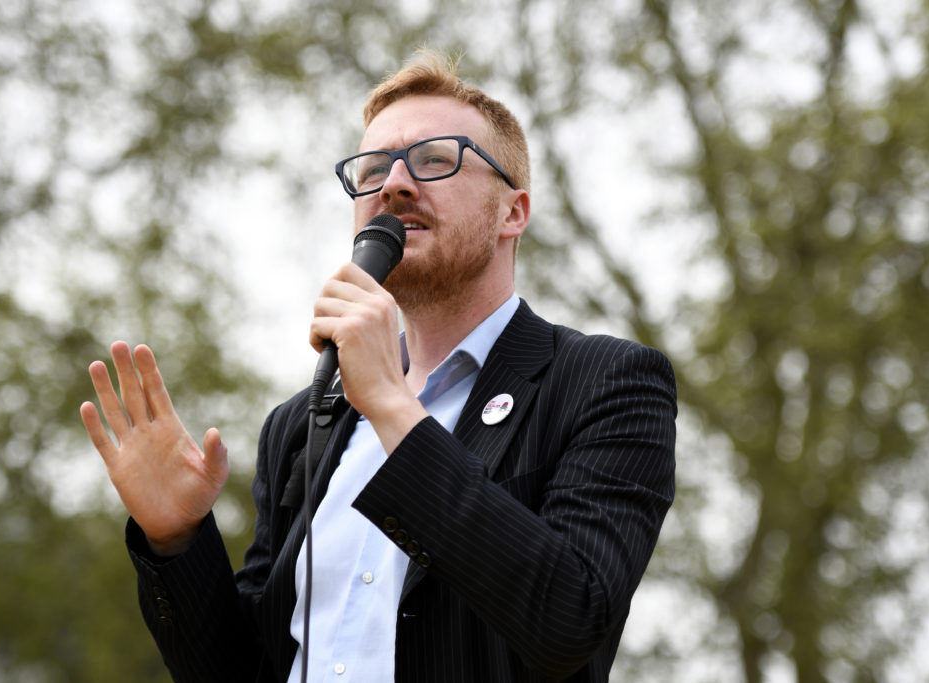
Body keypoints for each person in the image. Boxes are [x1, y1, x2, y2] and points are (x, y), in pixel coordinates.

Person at [80, 50, 676, 682]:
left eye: (435, 159)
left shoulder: (605, 382)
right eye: (371, 169)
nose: (393, 184)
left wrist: (393, 408)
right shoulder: (301, 424)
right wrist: (176, 542)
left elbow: (569, 620)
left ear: (512, 212)